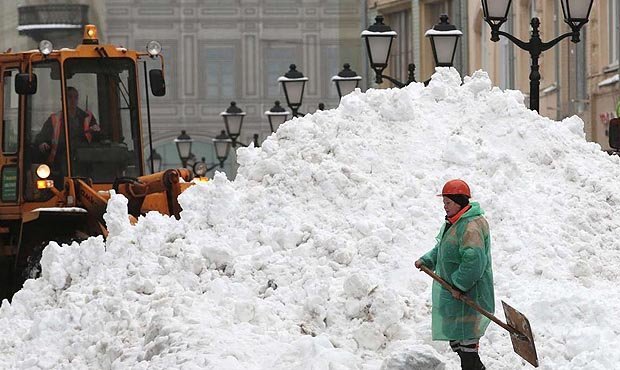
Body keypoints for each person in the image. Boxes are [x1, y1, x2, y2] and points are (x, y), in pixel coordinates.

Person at [415, 179, 494, 370]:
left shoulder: (471, 226)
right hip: (455, 295)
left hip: (469, 294)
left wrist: (459, 285)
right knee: (457, 342)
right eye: (444, 203)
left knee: (467, 347)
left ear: (459, 201)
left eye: (448, 203)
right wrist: (427, 260)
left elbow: (474, 262)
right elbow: (443, 248)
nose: (445, 207)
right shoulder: (455, 223)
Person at [35, 86, 101, 167]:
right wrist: (43, 143)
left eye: (75, 97)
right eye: (69, 97)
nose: (73, 100)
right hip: (60, 160)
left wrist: (96, 131)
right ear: (63, 99)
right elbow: (42, 137)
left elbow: (97, 137)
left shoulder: (88, 117)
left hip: (84, 160)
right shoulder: (54, 119)